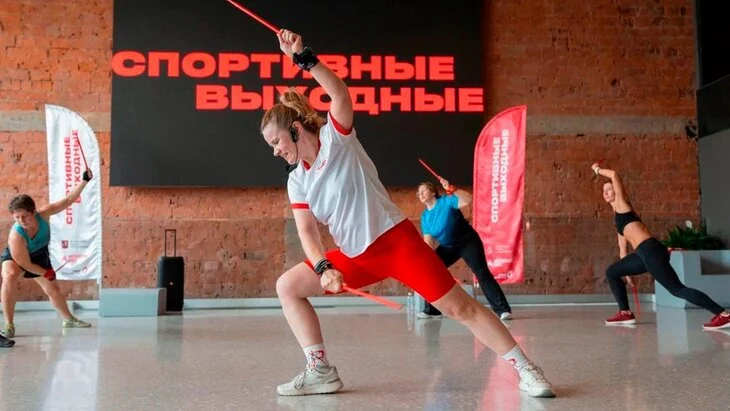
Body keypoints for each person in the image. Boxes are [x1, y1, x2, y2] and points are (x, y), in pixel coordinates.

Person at [259, 28, 555, 398]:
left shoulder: (337, 140)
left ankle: (527, 368)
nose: (274, 151)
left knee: (460, 309)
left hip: (397, 243)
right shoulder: (297, 181)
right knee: (287, 287)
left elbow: (339, 94)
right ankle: (320, 370)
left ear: (295, 130)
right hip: (356, 256)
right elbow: (307, 231)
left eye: (275, 141)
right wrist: (323, 267)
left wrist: (304, 59)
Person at [592, 162, 730, 329]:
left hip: (650, 250)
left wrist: (597, 170)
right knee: (612, 271)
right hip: (644, 253)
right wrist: (626, 273)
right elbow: (623, 249)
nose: (606, 192)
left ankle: (723, 314)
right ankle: (625, 313)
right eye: (604, 191)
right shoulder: (617, 220)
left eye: (609, 189)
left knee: (678, 290)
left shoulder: (623, 205)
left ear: (616, 191)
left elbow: (614, 174)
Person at [0, 171, 94, 339]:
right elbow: (25, 264)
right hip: (18, 257)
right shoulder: (16, 236)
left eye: (25, 216)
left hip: (38, 254)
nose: (21, 221)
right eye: (17, 217)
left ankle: (68, 319)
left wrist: (84, 181)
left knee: (52, 289)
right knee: (10, 275)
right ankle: (9, 325)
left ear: (33, 212)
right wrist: (46, 272)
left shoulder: (44, 214)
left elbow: (67, 201)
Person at [416, 180, 512, 320]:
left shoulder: (446, 201)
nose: (420, 194)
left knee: (482, 273)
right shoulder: (425, 217)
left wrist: (452, 189)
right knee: (430, 270)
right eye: (418, 193)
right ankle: (432, 311)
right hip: (448, 247)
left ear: (432, 192)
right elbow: (429, 241)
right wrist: (427, 260)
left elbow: (468, 200)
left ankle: (502, 310)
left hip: (467, 242)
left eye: (423, 191)